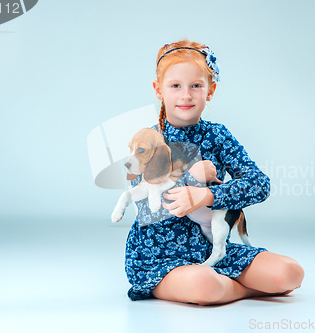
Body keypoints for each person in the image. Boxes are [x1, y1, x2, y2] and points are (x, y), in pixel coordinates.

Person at [124, 39, 304, 305]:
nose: (186, 95)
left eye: (196, 86)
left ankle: (224, 286)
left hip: (213, 251)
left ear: (210, 90)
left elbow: (259, 184)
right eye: (175, 86)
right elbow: (145, 205)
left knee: (290, 273)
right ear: (158, 90)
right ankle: (240, 290)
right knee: (204, 285)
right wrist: (189, 179)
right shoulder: (150, 139)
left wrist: (207, 195)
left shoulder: (217, 135)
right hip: (159, 257)